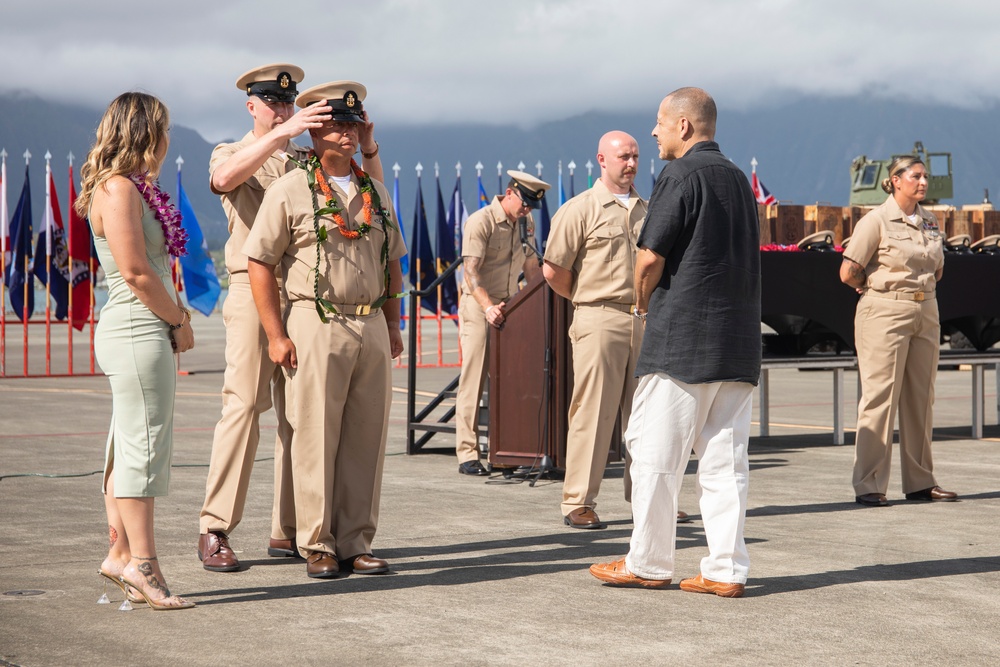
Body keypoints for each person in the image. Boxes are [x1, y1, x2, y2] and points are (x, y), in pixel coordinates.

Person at [198, 64, 385, 572]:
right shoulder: (233, 150)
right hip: (251, 287)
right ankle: (215, 527)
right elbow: (222, 180)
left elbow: (373, 202)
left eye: (290, 103)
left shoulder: (307, 159)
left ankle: (289, 531)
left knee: (300, 419)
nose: (284, 110)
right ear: (251, 106)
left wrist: (365, 146)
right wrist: (282, 133)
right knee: (244, 405)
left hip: (309, 296)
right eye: (273, 102)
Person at [590, 87, 760, 598]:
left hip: (684, 340)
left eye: (660, 123)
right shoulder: (737, 178)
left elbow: (649, 255)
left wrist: (642, 304)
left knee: (653, 453)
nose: (654, 132)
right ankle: (725, 570)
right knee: (726, 465)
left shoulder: (680, 174)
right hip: (736, 345)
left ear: (684, 126)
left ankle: (648, 561)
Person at [244, 80, 405, 579]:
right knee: (313, 434)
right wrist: (276, 334)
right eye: (337, 124)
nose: (348, 133)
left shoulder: (374, 191)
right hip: (316, 320)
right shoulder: (289, 189)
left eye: (353, 125)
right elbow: (259, 261)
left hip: (370, 322)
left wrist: (394, 324)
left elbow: (393, 259)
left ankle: (356, 540)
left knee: (366, 437)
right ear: (314, 131)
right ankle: (316, 542)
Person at [79, 92, 196, 610]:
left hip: (134, 327)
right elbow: (135, 271)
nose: (168, 140)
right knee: (144, 447)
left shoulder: (127, 188)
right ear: (146, 133)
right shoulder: (120, 188)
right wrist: (179, 320)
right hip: (138, 326)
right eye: (164, 130)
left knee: (127, 444)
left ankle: (121, 553)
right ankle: (144, 567)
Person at [542, 131, 646, 529]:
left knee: (645, 416)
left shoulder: (646, 209)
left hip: (642, 317)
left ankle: (648, 500)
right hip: (599, 315)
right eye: (623, 156)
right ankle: (578, 501)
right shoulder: (580, 209)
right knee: (595, 411)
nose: (631, 163)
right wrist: (588, 300)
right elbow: (554, 270)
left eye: (635, 156)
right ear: (601, 160)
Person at [839, 156, 956, 507]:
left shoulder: (931, 221)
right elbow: (848, 272)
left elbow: (937, 270)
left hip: (926, 309)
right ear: (895, 180)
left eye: (926, 177)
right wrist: (875, 287)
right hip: (885, 311)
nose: (923, 182)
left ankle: (921, 481)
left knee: (921, 398)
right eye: (916, 176)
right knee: (880, 398)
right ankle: (869, 483)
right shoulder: (875, 221)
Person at [454, 170, 550, 475]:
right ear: (510, 193)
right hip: (480, 304)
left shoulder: (525, 223)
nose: (526, 210)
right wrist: (487, 307)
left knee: (510, 381)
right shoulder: (480, 221)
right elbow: (471, 273)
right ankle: (467, 453)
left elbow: (531, 265)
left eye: (531, 207)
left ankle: (505, 452)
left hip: (512, 306)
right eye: (523, 203)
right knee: (474, 379)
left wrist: (540, 303)